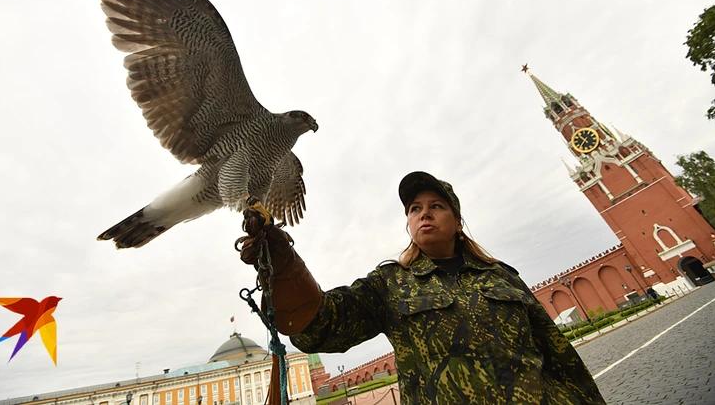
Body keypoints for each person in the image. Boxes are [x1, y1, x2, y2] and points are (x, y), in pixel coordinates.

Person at [238, 171, 606, 404]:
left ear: (458, 222)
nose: (424, 213)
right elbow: (321, 326)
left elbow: (559, 356)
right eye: (415, 208)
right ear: (410, 223)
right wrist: (283, 266)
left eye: (436, 206)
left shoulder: (502, 277)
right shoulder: (390, 284)